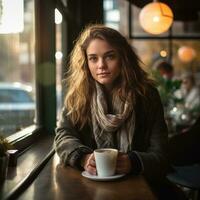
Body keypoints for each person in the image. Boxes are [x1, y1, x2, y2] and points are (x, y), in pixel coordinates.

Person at [54, 24, 183, 199]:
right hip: (89, 188)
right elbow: (63, 134)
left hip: (141, 187)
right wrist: (83, 158)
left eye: (110, 56)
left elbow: (161, 155)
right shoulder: (78, 95)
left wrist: (133, 162)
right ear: (86, 62)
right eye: (93, 58)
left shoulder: (147, 95)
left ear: (123, 58)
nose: (101, 65)